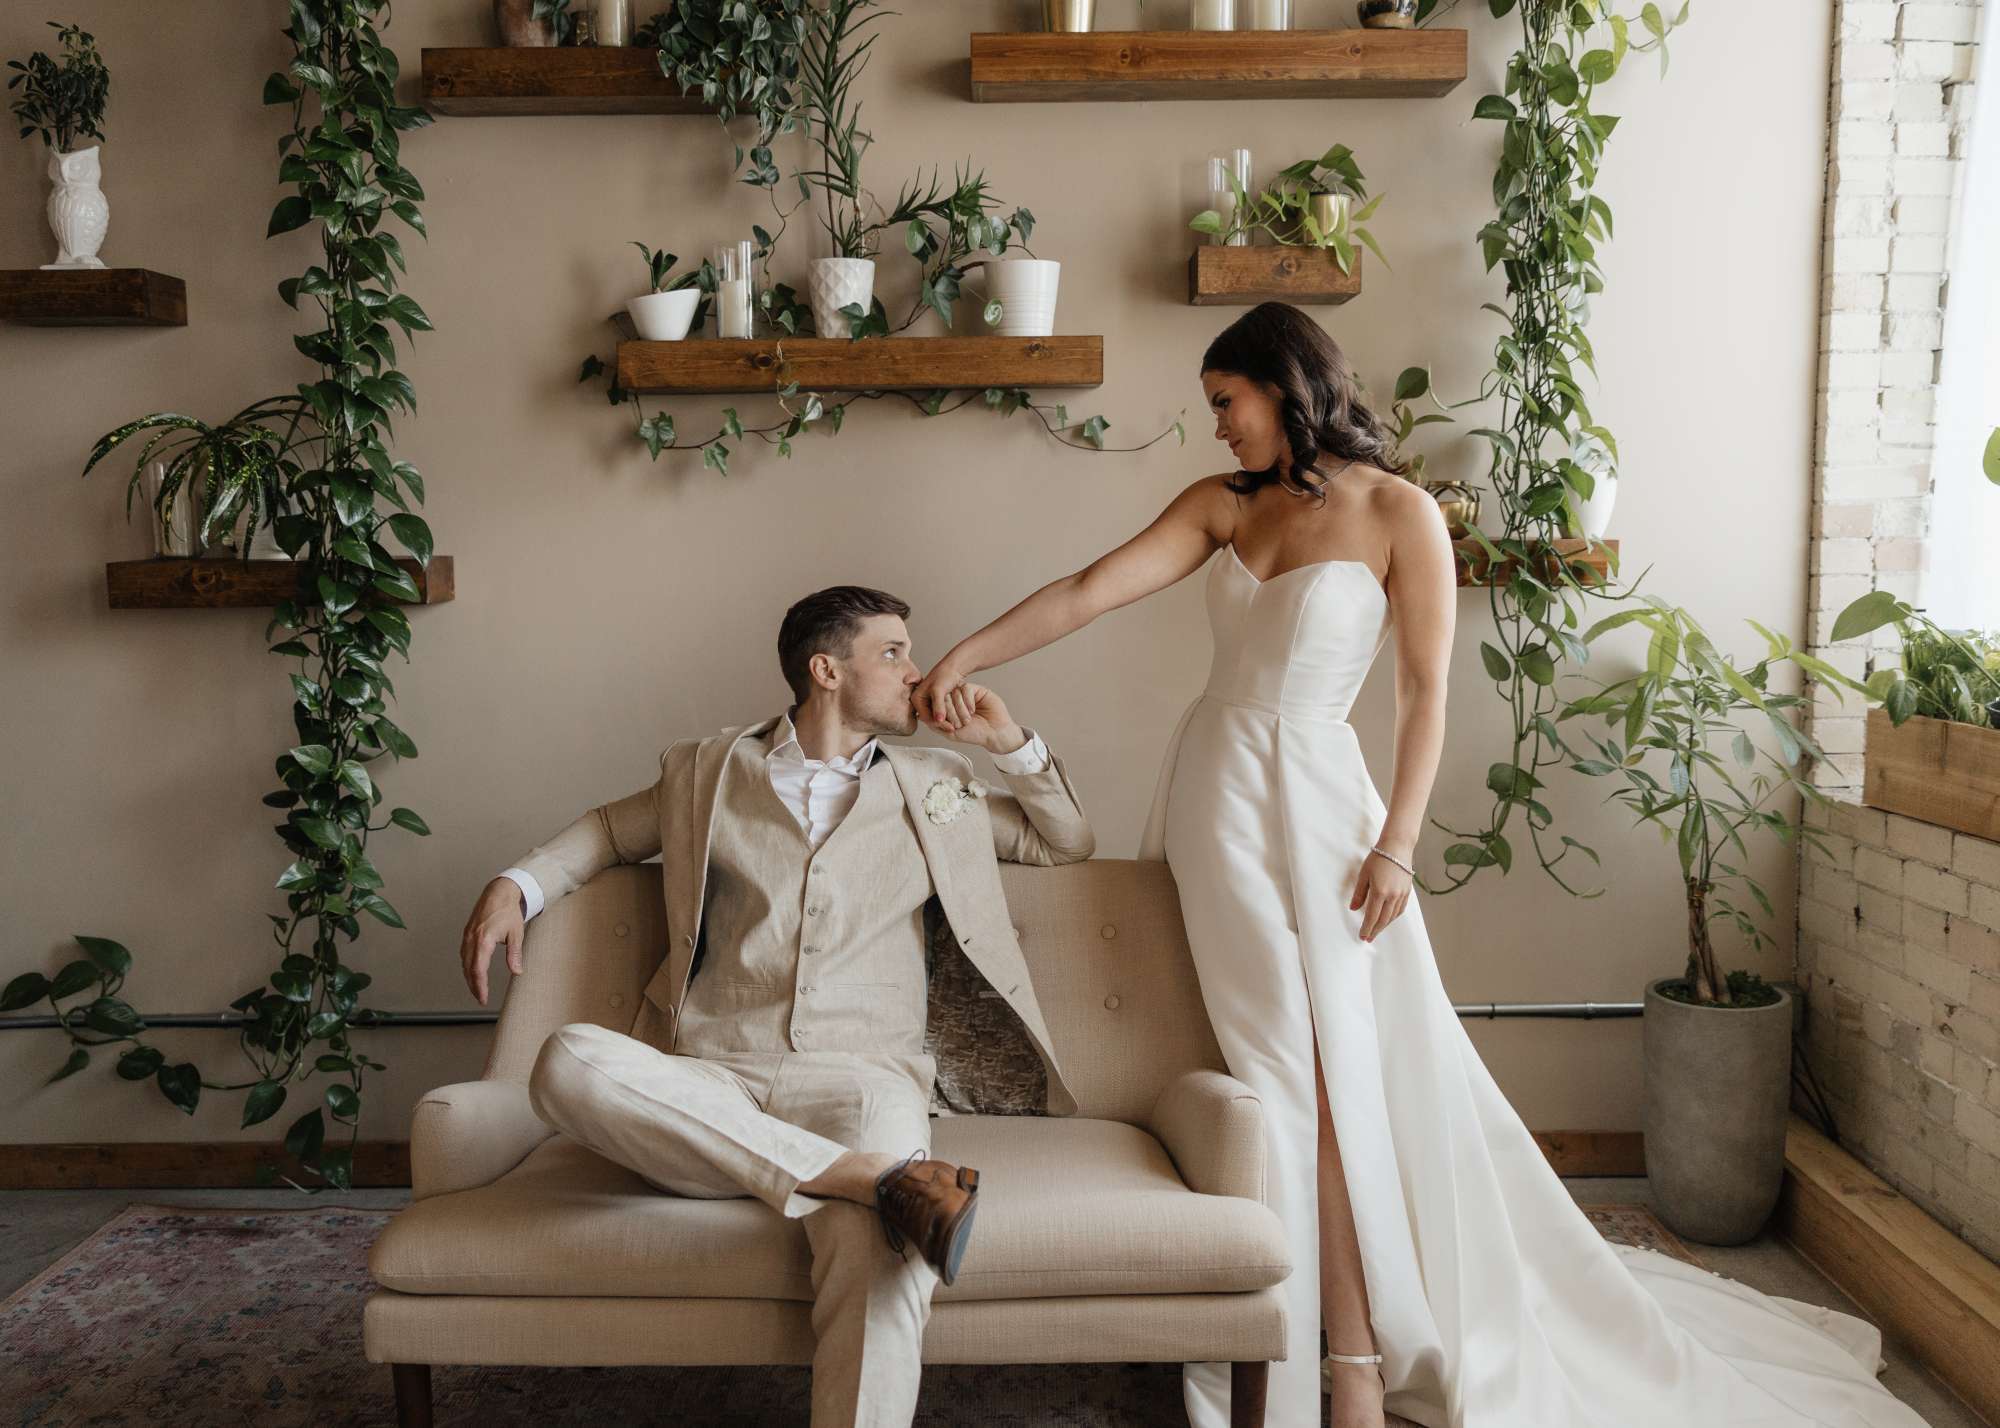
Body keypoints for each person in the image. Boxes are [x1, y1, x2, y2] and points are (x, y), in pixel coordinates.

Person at [914, 302, 1931, 1428]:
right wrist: (961, 654)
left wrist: (1398, 844)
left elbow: (1424, 695)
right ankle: (1297, 1341)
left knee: (1341, 1069)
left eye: (1224, 403)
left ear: (1281, 383)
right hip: (1213, 796)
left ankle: (1346, 1357)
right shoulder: (1220, 507)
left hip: (1324, 809)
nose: (1216, 429)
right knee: (1278, 1072)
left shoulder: (1402, 515)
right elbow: (1084, 589)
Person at [458, 585, 1095, 1428]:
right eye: (894, 653)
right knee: (568, 1059)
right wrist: (515, 885)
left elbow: (1067, 840)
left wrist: (1005, 743)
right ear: (826, 670)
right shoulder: (707, 772)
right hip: (713, 1076)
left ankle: (869, 1185)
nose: (919, 672)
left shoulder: (940, 781)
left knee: (882, 1248)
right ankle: (881, 1182)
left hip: (865, 1082)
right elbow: (610, 834)